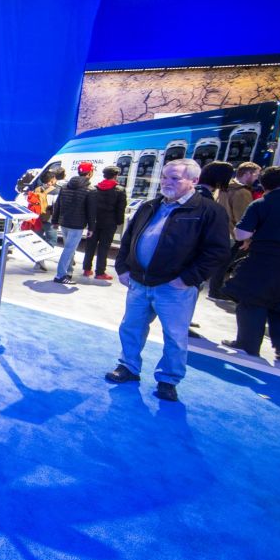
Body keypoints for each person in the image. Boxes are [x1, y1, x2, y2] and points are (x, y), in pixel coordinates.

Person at [106, 159, 229, 402]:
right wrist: (122, 268)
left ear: (193, 181)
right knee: (131, 327)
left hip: (174, 288)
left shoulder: (208, 211)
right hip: (139, 283)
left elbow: (217, 251)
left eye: (175, 178)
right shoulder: (149, 206)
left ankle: (168, 379)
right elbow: (128, 239)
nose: (166, 182)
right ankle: (128, 367)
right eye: (164, 176)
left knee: (175, 335)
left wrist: (187, 279)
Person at [221, 166, 280, 361]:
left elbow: (241, 234)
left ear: (263, 184)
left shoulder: (261, 204)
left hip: (263, 260)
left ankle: (248, 344)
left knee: (252, 301)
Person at [209, 162, 260, 299]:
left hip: (219, 231)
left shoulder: (224, 188)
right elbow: (242, 217)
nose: (257, 178)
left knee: (221, 264)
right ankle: (217, 291)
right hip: (234, 234)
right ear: (247, 173)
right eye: (256, 174)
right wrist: (247, 238)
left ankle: (214, 290)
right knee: (227, 264)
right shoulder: (242, 192)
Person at [51, 161, 97, 284]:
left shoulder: (65, 186)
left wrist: (55, 221)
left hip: (64, 223)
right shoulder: (90, 190)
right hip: (77, 225)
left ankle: (68, 272)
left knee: (69, 249)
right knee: (69, 250)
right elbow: (91, 211)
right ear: (90, 173)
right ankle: (60, 275)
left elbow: (58, 205)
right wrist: (91, 228)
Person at [82, 165, 126, 281]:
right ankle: (100, 272)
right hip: (109, 223)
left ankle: (87, 269)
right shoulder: (120, 190)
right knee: (104, 247)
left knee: (90, 246)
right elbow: (120, 209)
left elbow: (89, 207)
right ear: (116, 176)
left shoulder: (95, 189)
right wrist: (119, 222)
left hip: (94, 222)